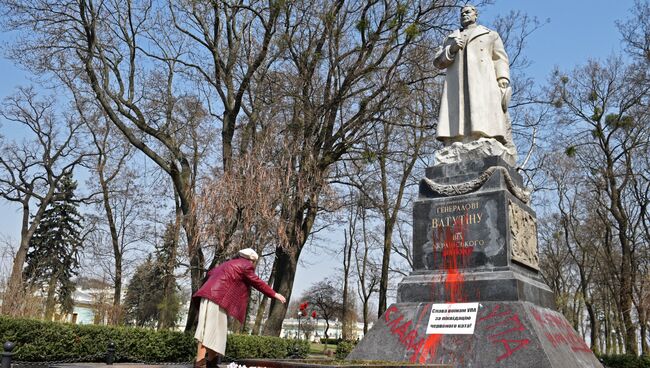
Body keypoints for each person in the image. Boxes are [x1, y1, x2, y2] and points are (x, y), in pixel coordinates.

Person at [434, 4, 514, 150]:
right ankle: (458, 138)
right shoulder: (451, 37)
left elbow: (500, 58)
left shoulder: (490, 34)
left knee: (481, 108)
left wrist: (502, 77)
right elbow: (438, 63)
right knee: (458, 110)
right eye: (462, 13)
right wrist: (450, 49)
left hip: (482, 81)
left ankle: (483, 136)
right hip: (457, 83)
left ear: (475, 15)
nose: (464, 15)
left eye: (468, 12)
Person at [192, 248, 286, 368]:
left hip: (207, 296)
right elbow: (257, 282)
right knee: (212, 331)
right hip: (217, 298)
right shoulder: (245, 266)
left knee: (206, 330)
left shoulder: (227, 264)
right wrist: (274, 294)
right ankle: (202, 363)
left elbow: (210, 274)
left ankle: (208, 361)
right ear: (252, 259)